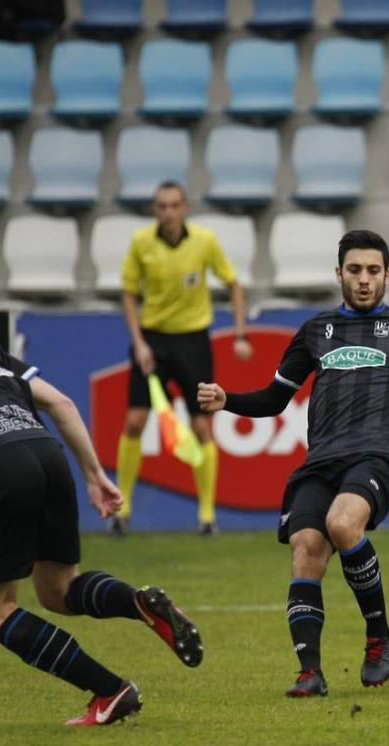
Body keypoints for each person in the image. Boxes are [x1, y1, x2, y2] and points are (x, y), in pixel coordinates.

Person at [0, 256, 203, 727]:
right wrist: (95, 474)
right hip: (45, 450)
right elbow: (59, 401)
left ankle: (111, 689)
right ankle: (136, 602)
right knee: (59, 589)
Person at [197, 230, 389, 697]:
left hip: (378, 453)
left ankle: (378, 637)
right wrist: (228, 400)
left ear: (387, 276)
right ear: (339, 273)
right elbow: (276, 398)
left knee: (343, 524)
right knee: (305, 548)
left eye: (373, 271)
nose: (364, 280)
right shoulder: (316, 331)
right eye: (355, 270)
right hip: (321, 459)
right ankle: (310, 673)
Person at [113, 180, 251, 537]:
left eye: (174, 205)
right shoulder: (141, 243)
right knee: (134, 421)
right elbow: (129, 294)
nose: (168, 212)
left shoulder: (204, 242)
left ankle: (207, 515)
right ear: (154, 210)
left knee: (202, 425)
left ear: (185, 207)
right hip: (153, 340)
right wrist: (139, 342)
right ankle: (121, 509)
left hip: (193, 340)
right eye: (162, 206)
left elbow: (234, 284)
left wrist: (239, 334)